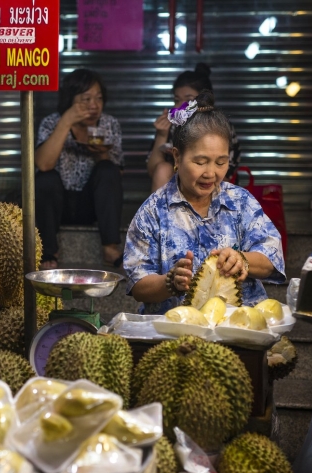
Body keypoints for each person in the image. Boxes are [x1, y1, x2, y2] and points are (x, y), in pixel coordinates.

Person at [124, 90, 284, 314]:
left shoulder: (241, 202)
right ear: (177, 157)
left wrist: (242, 260)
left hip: (238, 326)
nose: (211, 173)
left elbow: (271, 258)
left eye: (221, 162)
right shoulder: (153, 212)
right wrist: (169, 282)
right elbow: (138, 285)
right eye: (200, 162)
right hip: (176, 332)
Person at [35, 69, 124, 269]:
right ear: (70, 100)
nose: (94, 105)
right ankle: (49, 250)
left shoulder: (109, 124)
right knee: (44, 179)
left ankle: (110, 247)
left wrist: (101, 154)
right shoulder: (52, 122)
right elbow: (43, 164)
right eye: (86, 99)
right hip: (57, 205)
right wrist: (66, 122)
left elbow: (116, 177)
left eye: (99, 98)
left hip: (91, 205)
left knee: (108, 169)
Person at [147, 63, 241, 193]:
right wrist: (162, 135)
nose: (180, 106)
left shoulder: (221, 127)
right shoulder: (173, 124)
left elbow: (225, 174)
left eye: (188, 100)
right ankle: (163, 213)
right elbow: (154, 172)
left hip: (211, 185)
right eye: (177, 100)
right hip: (177, 188)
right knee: (163, 168)